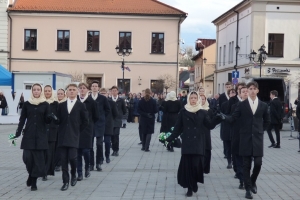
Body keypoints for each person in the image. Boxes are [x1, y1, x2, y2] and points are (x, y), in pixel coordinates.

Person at [166, 92, 221, 197]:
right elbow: (178, 128)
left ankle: (194, 181)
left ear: (198, 99)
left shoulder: (202, 112)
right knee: (188, 166)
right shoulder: (183, 111)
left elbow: (209, 125)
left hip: (199, 142)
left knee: (196, 165)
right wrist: (170, 138)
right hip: (187, 142)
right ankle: (189, 188)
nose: (193, 99)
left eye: (195, 98)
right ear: (188, 99)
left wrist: (217, 119)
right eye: (191, 98)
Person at [224, 81, 270, 199]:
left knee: (258, 163)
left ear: (257, 90)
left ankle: (252, 181)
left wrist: (260, 130)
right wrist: (223, 117)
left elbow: (267, 121)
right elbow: (234, 118)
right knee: (246, 165)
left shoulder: (263, 105)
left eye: (254, 89)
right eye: (250, 89)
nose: (252, 91)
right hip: (245, 138)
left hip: (258, 138)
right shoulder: (242, 105)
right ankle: (248, 189)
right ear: (247, 91)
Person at [14, 83, 53, 191]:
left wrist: (49, 118)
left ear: (41, 92)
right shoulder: (27, 104)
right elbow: (22, 119)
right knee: (27, 158)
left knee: (38, 160)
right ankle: (31, 175)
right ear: (32, 91)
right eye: (34, 89)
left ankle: (34, 181)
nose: (36, 91)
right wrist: (18, 132)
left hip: (41, 135)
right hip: (29, 135)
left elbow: (47, 120)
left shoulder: (45, 104)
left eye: (38, 90)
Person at [56, 83, 88, 191]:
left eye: (74, 90)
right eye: (70, 90)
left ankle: (74, 173)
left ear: (77, 92)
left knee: (73, 158)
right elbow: (59, 120)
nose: (71, 91)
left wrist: (78, 130)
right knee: (64, 160)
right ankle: (65, 181)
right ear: (67, 92)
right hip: (62, 136)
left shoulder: (81, 105)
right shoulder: (61, 105)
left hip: (74, 136)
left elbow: (85, 121)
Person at [77, 82, 99, 179]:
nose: (82, 90)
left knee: (86, 151)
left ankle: (87, 168)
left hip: (88, 129)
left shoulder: (92, 102)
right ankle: (79, 173)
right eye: (80, 88)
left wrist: (90, 124)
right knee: (77, 152)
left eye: (84, 88)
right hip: (76, 129)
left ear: (87, 90)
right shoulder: (75, 101)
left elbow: (96, 116)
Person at [90, 81, 110, 171]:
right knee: (89, 145)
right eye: (93, 86)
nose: (94, 87)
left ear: (98, 88)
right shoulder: (88, 98)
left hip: (100, 124)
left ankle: (98, 162)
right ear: (91, 88)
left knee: (99, 144)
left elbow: (107, 110)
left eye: (96, 86)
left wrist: (102, 117)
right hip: (90, 124)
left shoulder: (102, 98)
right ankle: (91, 163)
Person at [231, 85, 248, 190]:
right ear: (240, 94)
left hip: (249, 137)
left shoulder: (255, 106)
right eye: (243, 91)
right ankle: (242, 179)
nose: (246, 93)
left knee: (246, 161)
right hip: (237, 136)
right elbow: (232, 121)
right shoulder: (235, 106)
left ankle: (246, 179)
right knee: (238, 159)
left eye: (247, 91)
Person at [42, 85, 59, 181]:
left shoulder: (55, 104)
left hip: (52, 131)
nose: (47, 92)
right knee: (42, 152)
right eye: (45, 91)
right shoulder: (40, 103)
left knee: (50, 153)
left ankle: (46, 172)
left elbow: (58, 117)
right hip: (42, 131)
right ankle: (41, 170)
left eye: (49, 91)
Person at [100, 88, 118, 164]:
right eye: (102, 93)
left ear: (108, 94)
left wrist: (110, 120)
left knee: (107, 142)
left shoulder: (112, 103)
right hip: (99, 125)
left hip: (108, 125)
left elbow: (115, 114)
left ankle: (107, 156)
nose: (103, 95)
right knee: (99, 143)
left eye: (104, 93)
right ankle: (100, 157)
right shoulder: (97, 102)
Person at [221, 89, 238, 169]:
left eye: (234, 92)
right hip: (227, 127)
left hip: (235, 127)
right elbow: (222, 114)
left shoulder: (239, 103)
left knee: (234, 146)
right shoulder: (225, 104)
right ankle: (229, 161)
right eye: (231, 93)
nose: (233, 94)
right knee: (227, 146)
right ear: (229, 94)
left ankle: (234, 162)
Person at [111, 86, 127, 156]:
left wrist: (120, 115)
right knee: (112, 136)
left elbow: (124, 110)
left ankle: (116, 150)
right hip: (110, 120)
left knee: (116, 135)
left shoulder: (121, 100)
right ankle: (113, 149)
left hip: (117, 120)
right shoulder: (109, 100)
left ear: (117, 92)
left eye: (115, 90)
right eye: (113, 91)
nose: (114, 92)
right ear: (111, 92)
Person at [199, 94, 213, 174]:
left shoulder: (209, 110)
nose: (201, 101)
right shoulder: (195, 110)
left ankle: (205, 167)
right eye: (200, 99)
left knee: (207, 150)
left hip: (206, 132)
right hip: (198, 132)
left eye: (203, 99)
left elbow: (211, 122)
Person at [219, 82, 233, 158]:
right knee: (225, 137)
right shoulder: (222, 96)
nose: (228, 88)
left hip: (232, 118)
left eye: (229, 86)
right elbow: (220, 107)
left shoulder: (234, 95)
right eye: (227, 86)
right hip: (224, 118)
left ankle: (231, 152)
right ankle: (226, 152)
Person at [54, 88, 67, 172]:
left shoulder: (66, 104)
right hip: (54, 128)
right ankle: (56, 163)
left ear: (64, 95)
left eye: (61, 94)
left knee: (61, 147)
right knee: (55, 146)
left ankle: (60, 163)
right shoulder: (54, 103)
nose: (60, 95)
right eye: (58, 94)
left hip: (63, 128)